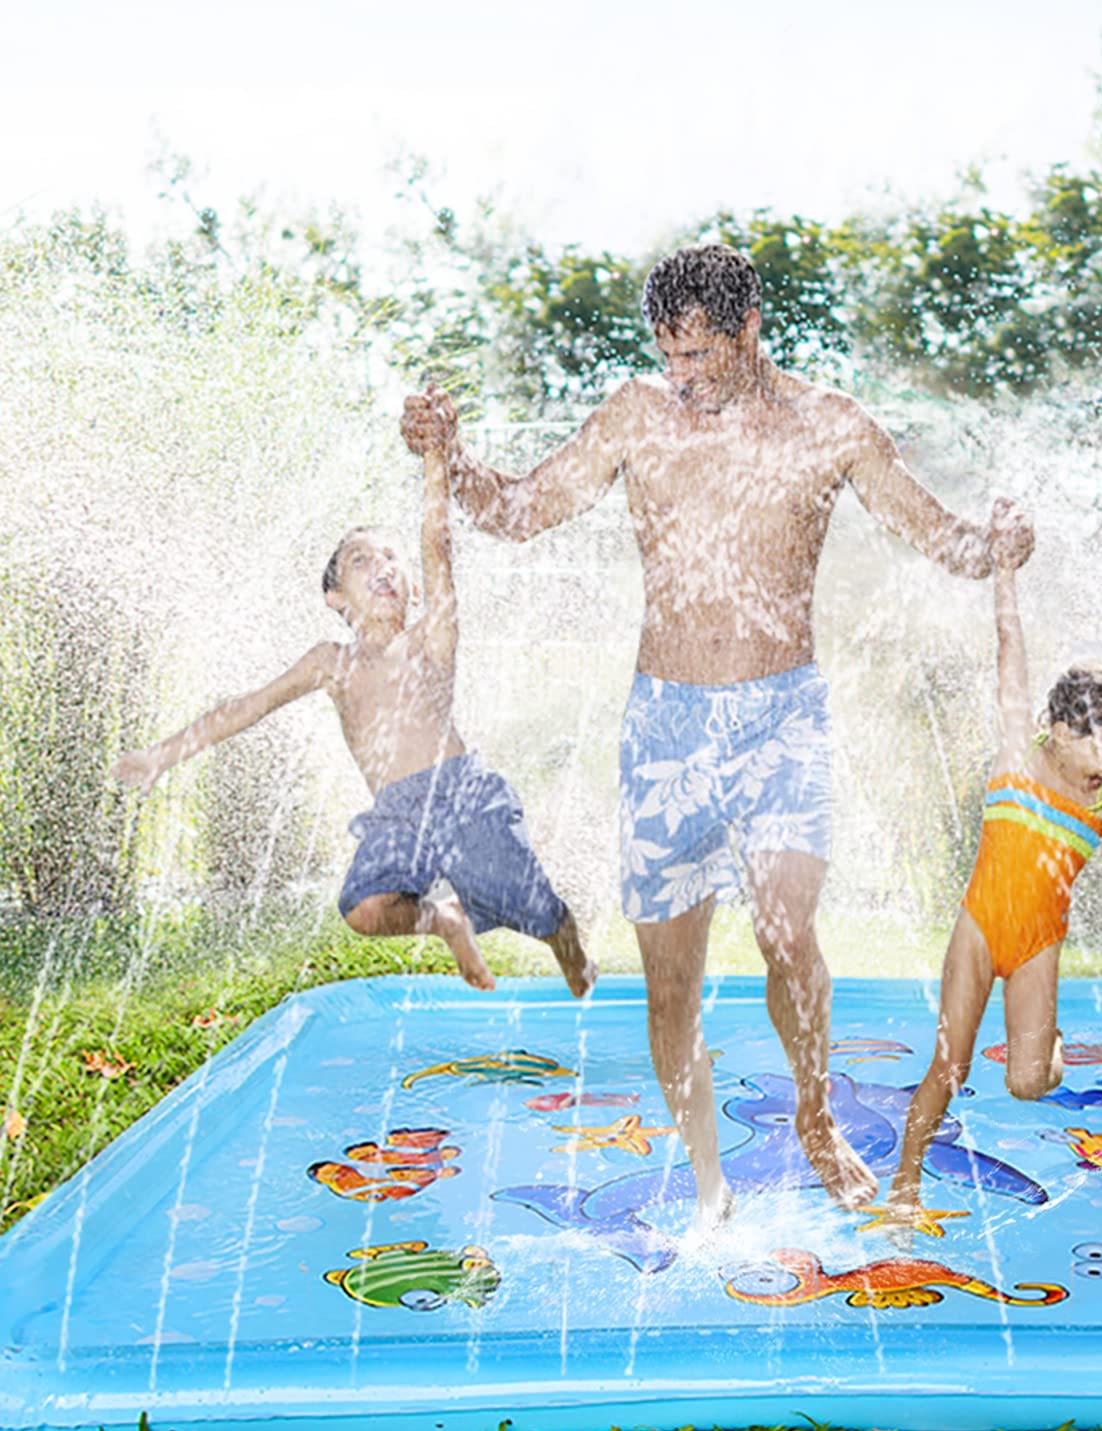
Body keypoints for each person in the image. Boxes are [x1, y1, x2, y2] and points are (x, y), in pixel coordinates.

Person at [400, 242, 1034, 1225]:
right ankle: (707, 1181)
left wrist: (997, 545)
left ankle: (815, 1118)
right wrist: (450, 457)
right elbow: (519, 512)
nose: (682, 377)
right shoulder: (634, 417)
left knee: (789, 939)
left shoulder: (831, 428)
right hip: (666, 729)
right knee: (669, 985)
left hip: (781, 720)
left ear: (749, 329)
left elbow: (940, 538)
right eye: (669, 356)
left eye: (699, 355)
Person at [113, 449, 595, 998]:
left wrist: (436, 461)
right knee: (365, 908)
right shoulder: (331, 663)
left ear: (413, 588)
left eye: (392, 558)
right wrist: (162, 755)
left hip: (463, 793)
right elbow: (248, 706)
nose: (383, 566)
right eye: (361, 561)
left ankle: (573, 955)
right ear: (336, 598)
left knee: (537, 910)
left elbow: (436, 542)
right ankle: (444, 921)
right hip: (397, 812)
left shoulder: (430, 639)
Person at [883, 555, 1102, 1223]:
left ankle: (1044, 1050)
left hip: (1038, 945)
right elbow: (1009, 648)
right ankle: (905, 1187)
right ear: (1060, 731)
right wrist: (1005, 574)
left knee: (1027, 1085)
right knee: (950, 1066)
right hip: (979, 927)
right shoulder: (1018, 754)